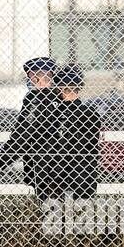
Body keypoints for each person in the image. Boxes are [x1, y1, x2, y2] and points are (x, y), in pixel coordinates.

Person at [25, 65, 101, 200]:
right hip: (83, 179)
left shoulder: (51, 114)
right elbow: (92, 149)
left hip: (53, 180)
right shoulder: (90, 114)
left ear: (59, 89)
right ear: (79, 87)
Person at [0, 57, 60, 185]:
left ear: (37, 79)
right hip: (62, 165)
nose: (30, 82)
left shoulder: (34, 99)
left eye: (31, 78)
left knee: (47, 201)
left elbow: (21, 136)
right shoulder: (61, 97)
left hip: (41, 166)